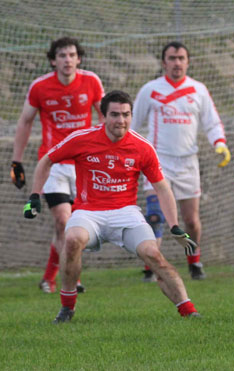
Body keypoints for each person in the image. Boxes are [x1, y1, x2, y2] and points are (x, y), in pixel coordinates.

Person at [23, 90, 201, 323]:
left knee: (153, 254)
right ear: (103, 116)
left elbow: (162, 188)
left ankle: (189, 310)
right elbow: (47, 159)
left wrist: (175, 226)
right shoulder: (82, 138)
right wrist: (35, 195)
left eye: (126, 114)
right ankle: (67, 306)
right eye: (115, 115)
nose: (121, 120)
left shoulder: (142, 147)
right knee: (72, 239)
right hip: (88, 212)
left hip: (126, 213)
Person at [11, 36, 104, 294]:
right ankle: (71, 279)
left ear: (79, 58)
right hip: (54, 164)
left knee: (78, 225)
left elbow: (106, 115)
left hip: (85, 164)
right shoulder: (40, 87)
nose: (67, 60)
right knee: (64, 221)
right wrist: (16, 161)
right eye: (62, 55)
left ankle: (50, 278)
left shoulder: (92, 81)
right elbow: (25, 122)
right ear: (53, 60)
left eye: (72, 55)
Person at [132, 41, 230, 281]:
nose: (177, 63)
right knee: (155, 215)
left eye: (181, 58)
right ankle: (151, 266)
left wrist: (219, 143)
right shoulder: (150, 90)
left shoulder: (198, 89)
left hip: (188, 163)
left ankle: (194, 262)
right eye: (172, 58)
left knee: (191, 221)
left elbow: (212, 121)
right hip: (158, 161)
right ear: (164, 62)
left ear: (188, 61)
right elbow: (133, 124)